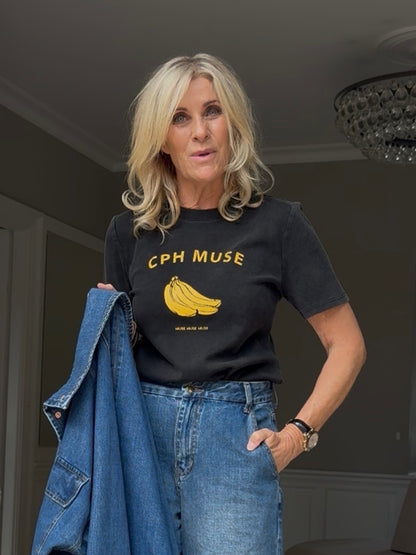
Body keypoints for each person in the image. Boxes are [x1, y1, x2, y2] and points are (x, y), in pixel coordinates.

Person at [98, 53, 366, 554]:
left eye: (212, 111)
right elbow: (120, 357)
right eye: (180, 117)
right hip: (143, 437)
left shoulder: (279, 225)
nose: (200, 131)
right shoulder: (128, 233)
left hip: (234, 436)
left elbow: (347, 345)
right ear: (161, 138)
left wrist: (297, 435)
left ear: (232, 124)